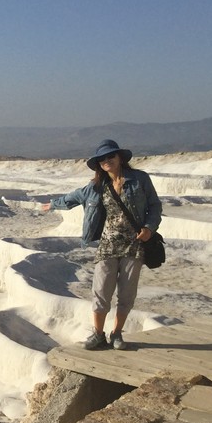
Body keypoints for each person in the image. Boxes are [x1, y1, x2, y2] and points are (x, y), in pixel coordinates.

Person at [41, 139, 162, 350]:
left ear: (119, 157)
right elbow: (73, 197)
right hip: (108, 244)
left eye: (110, 156)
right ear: (98, 164)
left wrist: (149, 229)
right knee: (101, 290)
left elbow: (154, 206)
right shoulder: (96, 187)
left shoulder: (140, 179)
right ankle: (98, 333)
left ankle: (117, 333)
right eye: (102, 159)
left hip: (134, 244)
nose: (106, 160)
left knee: (126, 293)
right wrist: (52, 204)